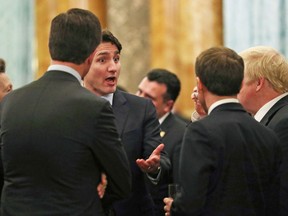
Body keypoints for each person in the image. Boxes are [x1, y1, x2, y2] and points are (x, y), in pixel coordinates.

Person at [0, 9, 131, 216]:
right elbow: (122, 182)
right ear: (90, 54)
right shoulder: (94, 107)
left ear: (51, 46)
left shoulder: (10, 102)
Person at [164, 47, 281, 216]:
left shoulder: (200, 132)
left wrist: (175, 208)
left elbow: (191, 201)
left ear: (200, 84)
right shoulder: (268, 135)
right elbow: (274, 202)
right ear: (241, 84)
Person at [84, 30, 170, 216]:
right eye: (102, 60)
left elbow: (161, 158)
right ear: (84, 64)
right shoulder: (69, 107)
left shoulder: (141, 108)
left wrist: (154, 167)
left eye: (116, 59)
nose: (113, 67)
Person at [237, 46, 288, 216]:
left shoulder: (283, 122)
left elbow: (281, 190)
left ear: (259, 83)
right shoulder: (276, 117)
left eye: (238, 81)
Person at [136, 68, 187, 216]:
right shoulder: (129, 125)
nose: (139, 99)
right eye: (139, 91)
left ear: (168, 105)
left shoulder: (181, 135)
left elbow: (178, 187)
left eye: (149, 97)